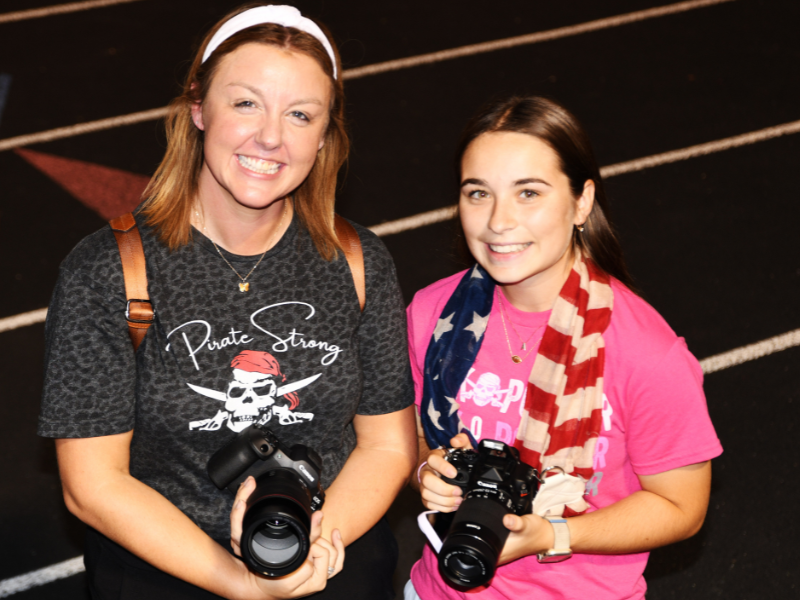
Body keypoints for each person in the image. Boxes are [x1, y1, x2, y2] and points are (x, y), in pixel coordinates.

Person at [38, 4, 416, 600]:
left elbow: (388, 444)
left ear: (323, 138)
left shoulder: (358, 260)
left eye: (300, 114)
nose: (270, 136)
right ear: (197, 108)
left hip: (331, 557)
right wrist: (240, 583)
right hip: (163, 570)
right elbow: (93, 484)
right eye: (245, 103)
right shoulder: (106, 269)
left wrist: (309, 549)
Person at [405, 94, 722, 600]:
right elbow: (409, 437)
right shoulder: (431, 315)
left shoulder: (645, 350)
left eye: (528, 193)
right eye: (477, 193)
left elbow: (682, 507)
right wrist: (429, 468)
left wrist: (553, 533)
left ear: (582, 201)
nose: (498, 221)